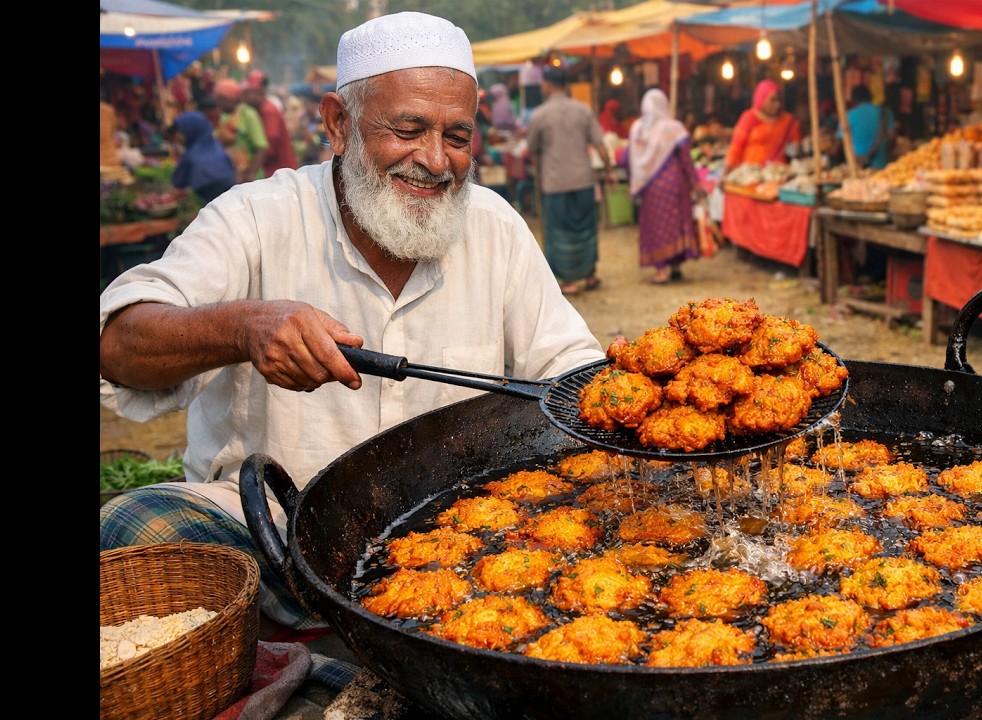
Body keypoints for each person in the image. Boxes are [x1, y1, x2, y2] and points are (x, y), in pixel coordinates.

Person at [99, 11, 605, 632]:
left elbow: (569, 373)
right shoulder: (254, 218)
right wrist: (243, 327)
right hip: (274, 534)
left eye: (457, 136)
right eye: (408, 129)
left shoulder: (494, 226)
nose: (435, 161)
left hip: (457, 540)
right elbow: (117, 342)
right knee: (131, 528)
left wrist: (624, 389)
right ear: (338, 123)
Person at [525, 65, 616, 295]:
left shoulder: (539, 115)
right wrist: (610, 172)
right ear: (566, 85)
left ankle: (567, 280)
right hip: (583, 179)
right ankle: (590, 274)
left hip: (555, 182)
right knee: (586, 229)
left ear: (547, 85)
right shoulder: (583, 110)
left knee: (559, 232)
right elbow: (600, 144)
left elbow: (532, 147)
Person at [624, 88, 705, 285]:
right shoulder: (674, 128)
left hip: (650, 187)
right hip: (674, 184)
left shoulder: (637, 129)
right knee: (676, 224)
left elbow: (628, 159)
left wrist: (633, 182)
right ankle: (675, 266)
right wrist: (696, 184)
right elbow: (686, 159)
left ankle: (662, 270)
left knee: (657, 227)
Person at [723, 79, 801, 174]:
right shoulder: (749, 118)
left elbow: (797, 146)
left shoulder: (788, 121)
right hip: (750, 173)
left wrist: (795, 148)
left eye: (779, 100)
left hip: (779, 173)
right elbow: (736, 147)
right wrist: (728, 169)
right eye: (773, 100)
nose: (777, 104)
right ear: (762, 99)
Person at [167, 110, 237, 205]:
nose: (178, 136)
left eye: (180, 132)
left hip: (210, 195)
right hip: (230, 187)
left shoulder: (192, 154)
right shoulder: (215, 146)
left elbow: (178, 182)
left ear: (190, 131)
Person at [242, 70, 299, 178]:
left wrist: (250, 165)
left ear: (261, 92)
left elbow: (270, 147)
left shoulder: (268, 111)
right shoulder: (257, 110)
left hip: (280, 172)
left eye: (251, 92)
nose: (247, 97)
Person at [212, 78, 269, 184]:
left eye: (222, 99)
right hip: (232, 175)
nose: (219, 103)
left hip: (249, 176)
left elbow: (261, 147)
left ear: (232, 98)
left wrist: (251, 173)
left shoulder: (249, 114)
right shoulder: (224, 116)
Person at [843, 84, 895, 170]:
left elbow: (842, 142)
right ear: (871, 97)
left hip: (856, 167)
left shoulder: (848, 116)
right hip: (881, 167)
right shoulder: (886, 113)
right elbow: (891, 138)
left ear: (853, 100)